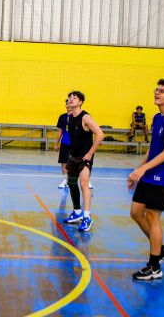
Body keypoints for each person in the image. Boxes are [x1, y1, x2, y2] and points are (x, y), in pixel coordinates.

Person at [128, 79, 164, 281]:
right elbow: (153, 148)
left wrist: (144, 169)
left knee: (152, 216)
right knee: (135, 213)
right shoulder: (156, 117)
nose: (157, 93)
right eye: (156, 90)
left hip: (163, 176)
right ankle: (161, 249)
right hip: (149, 173)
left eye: (162, 91)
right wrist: (138, 169)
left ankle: (154, 266)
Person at [62, 90, 104, 232]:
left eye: (74, 98)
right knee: (71, 182)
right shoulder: (69, 118)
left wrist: (90, 153)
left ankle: (87, 217)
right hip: (73, 156)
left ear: (80, 102)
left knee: (84, 184)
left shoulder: (85, 117)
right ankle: (77, 211)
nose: (71, 99)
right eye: (69, 98)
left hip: (85, 157)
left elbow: (100, 134)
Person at [54, 100, 72, 189]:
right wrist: (56, 143)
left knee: (80, 162)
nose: (68, 105)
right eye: (67, 103)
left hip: (76, 144)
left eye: (70, 103)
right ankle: (65, 180)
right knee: (63, 162)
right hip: (65, 143)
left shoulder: (79, 117)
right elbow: (60, 130)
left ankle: (86, 180)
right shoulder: (62, 117)